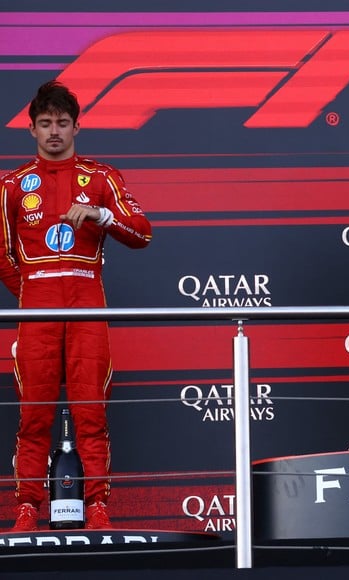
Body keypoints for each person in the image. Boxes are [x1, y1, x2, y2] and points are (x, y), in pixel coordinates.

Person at [0, 81, 152, 531]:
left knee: (91, 410)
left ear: (77, 127)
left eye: (62, 123)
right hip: (38, 309)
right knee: (34, 413)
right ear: (30, 130)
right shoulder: (11, 185)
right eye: (44, 124)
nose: (53, 132)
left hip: (88, 303)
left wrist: (102, 216)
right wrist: (32, 296)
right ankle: (28, 508)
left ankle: (98, 507)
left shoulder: (101, 178)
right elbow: (2, 257)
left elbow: (143, 232)